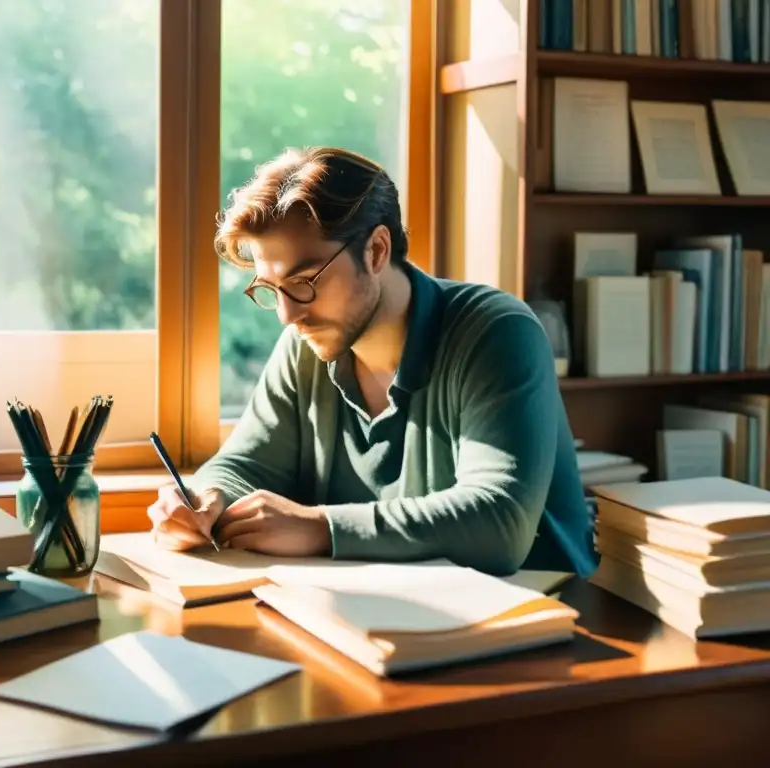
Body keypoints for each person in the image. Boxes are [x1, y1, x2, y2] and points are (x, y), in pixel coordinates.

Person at [147, 146, 597, 577]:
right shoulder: (307, 343)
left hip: (542, 619)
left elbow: (498, 522)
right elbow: (244, 465)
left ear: (377, 250)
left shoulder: (496, 333)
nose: (288, 314)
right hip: (392, 611)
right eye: (270, 289)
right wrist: (206, 499)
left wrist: (320, 527)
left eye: (304, 281)